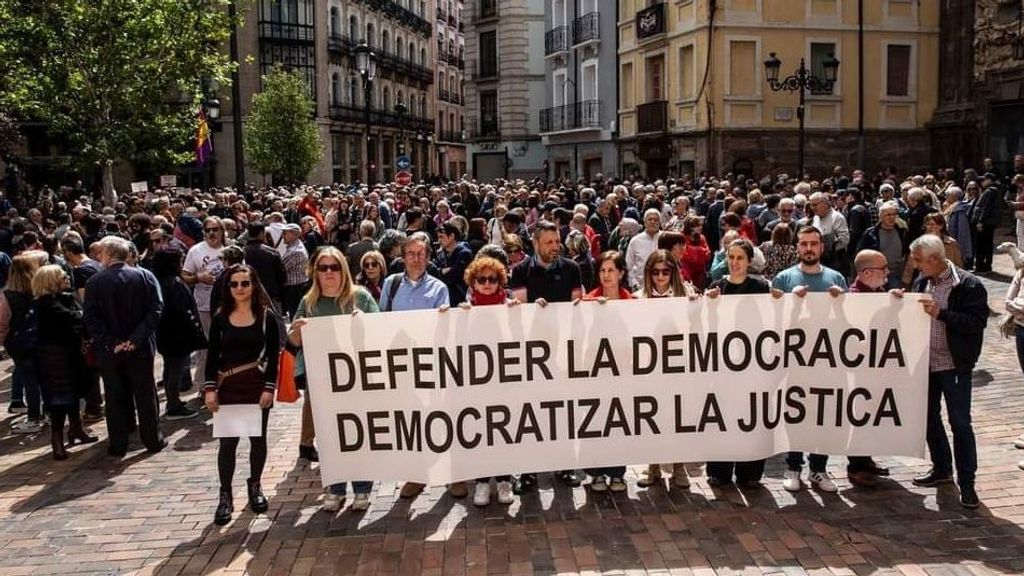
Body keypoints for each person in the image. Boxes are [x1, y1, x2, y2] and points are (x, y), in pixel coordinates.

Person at [909, 235, 987, 509]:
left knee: (960, 424)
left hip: (954, 365)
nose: (915, 266)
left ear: (933, 259)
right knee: (929, 418)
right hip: (926, 365)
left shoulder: (968, 284)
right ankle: (942, 469)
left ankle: (968, 483)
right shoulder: (922, 282)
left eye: (919, 260)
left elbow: (976, 323)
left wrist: (942, 314)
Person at [379, 235, 456, 499]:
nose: (416, 258)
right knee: (412, 421)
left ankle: (451, 475)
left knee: (440, 418)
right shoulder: (391, 285)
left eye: (421, 254)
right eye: (411, 253)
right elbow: (380, 322)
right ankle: (418, 475)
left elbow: (443, 326)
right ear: (403, 256)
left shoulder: (439, 288)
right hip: (401, 362)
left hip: (429, 361)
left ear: (428, 257)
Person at [508, 220, 583, 492]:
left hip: (562, 350)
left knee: (561, 411)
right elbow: (520, 309)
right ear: (535, 243)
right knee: (530, 413)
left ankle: (564, 465)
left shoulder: (572, 268)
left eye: (557, 241)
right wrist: (530, 309)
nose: (555, 246)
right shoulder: (519, 272)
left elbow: (577, 304)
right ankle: (528, 471)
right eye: (549, 242)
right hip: (531, 354)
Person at [771, 225, 847, 493]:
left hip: (827, 362)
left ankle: (818, 469)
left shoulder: (836, 278)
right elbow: (774, 321)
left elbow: (848, 323)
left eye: (813, 244)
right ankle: (793, 466)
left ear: (822, 247)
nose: (809, 249)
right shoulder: (783, 278)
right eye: (804, 244)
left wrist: (839, 303)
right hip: (795, 362)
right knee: (795, 414)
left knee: (824, 414)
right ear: (797, 248)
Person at [204, 264, 281, 525]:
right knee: (228, 443)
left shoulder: (266, 317)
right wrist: (210, 388)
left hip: (256, 387)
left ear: (253, 285)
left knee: (257, 440)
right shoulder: (220, 318)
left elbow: (273, 356)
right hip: (229, 387)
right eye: (234, 284)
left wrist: (269, 387)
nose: (239, 288)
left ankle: (255, 485)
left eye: (244, 283)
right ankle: (225, 494)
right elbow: (212, 356)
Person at [83, 236, 166, 458]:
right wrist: (135, 339)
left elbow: (90, 318)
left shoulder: (95, 282)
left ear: (108, 255)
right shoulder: (144, 276)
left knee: (114, 396)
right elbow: (156, 310)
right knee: (145, 395)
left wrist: (113, 342)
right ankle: (153, 439)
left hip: (111, 350)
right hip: (138, 348)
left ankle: (118, 443)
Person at [703, 239, 769, 487]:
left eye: (740, 258)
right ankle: (719, 470)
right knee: (722, 416)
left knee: (750, 416)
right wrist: (706, 304)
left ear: (749, 260)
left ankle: (749, 472)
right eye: (731, 257)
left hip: (753, 364)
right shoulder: (717, 288)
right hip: (723, 366)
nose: (734, 263)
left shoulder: (761, 287)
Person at [458, 255, 517, 506]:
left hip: (504, 379)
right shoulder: (466, 307)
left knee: (502, 429)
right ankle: (482, 482)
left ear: (500, 281)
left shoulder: (510, 304)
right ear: (473, 282)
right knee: (481, 430)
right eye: (481, 279)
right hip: (478, 381)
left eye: (492, 279)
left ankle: (504, 480)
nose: (487, 284)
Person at [634, 249, 695, 489]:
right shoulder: (639, 298)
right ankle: (654, 465)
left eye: (665, 271)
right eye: (655, 271)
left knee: (677, 418)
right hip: (649, 367)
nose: (660, 277)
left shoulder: (686, 294)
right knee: (651, 418)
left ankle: (679, 466)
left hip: (677, 367)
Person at [845, 250, 902, 487]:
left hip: (876, 370)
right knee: (859, 417)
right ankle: (856, 465)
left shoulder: (877, 294)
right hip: (860, 372)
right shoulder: (856, 297)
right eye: (883, 268)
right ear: (867, 273)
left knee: (870, 415)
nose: (888, 272)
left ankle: (865, 458)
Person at [32, 264, 98, 459]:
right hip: (54, 357)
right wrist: (81, 317)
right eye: (62, 278)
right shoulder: (45, 304)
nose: (67, 279)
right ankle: (57, 439)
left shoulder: (67, 298)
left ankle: (76, 429)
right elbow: (72, 317)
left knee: (76, 392)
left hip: (72, 353)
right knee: (59, 399)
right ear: (51, 281)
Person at [578, 250, 631, 492]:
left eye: (611, 270)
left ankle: (617, 471)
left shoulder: (633, 303)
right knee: (596, 420)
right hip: (595, 372)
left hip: (622, 373)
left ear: (621, 273)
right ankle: (595, 472)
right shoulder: (588, 301)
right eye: (602, 270)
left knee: (619, 422)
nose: (606, 275)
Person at [151, 249, 203, 420]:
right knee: (174, 369)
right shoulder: (169, 284)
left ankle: (174, 401)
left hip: (170, 334)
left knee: (171, 368)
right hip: (175, 334)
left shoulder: (163, 282)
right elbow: (178, 309)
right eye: (178, 262)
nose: (181, 265)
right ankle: (173, 405)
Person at [1, 250, 48, 432]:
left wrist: (5, 342)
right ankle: (48, 413)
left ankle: (34, 418)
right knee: (44, 379)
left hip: (19, 344)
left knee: (30, 381)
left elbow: (2, 324)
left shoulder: (7, 296)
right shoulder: (40, 291)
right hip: (41, 340)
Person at [182, 216, 226, 388]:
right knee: (207, 347)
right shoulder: (196, 251)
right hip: (204, 306)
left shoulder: (229, 249)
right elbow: (184, 276)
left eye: (215, 229)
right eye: (207, 230)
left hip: (228, 306)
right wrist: (198, 277)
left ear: (222, 231)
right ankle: (203, 385)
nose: (211, 233)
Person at [858, 201, 908, 289]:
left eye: (894, 214)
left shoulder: (902, 231)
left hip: (896, 275)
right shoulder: (870, 234)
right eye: (888, 215)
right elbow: (861, 255)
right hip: (876, 276)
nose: (891, 217)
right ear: (881, 217)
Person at [243, 222, 287, 314]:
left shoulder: (242, 253)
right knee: (276, 324)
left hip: (249, 296)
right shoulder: (272, 252)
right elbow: (282, 276)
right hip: (272, 296)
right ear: (262, 233)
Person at [434, 221, 473, 306]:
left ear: (451, 236)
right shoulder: (440, 254)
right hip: (444, 299)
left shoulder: (464, 253)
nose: (439, 241)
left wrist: (442, 272)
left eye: (441, 237)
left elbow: (453, 276)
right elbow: (434, 273)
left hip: (460, 299)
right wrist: (442, 271)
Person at [625, 209, 662, 291]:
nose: (652, 222)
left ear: (660, 222)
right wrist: (634, 284)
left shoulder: (665, 238)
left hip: (663, 287)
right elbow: (628, 266)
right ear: (644, 222)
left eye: (656, 220)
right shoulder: (635, 241)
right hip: (640, 287)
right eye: (650, 219)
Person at [281, 223, 309, 320]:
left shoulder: (295, 251)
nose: (283, 236)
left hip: (295, 287)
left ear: (295, 234)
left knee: (295, 315)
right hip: (295, 286)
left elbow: (281, 268)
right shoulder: (293, 247)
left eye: (286, 233)